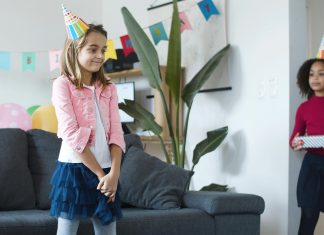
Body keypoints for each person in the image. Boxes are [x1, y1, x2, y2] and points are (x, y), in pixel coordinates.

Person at [49, 7, 125, 235]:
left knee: (107, 231)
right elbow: (71, 134)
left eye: (103, 49)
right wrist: (101, 176)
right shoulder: (62, 85)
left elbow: (117, 134)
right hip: (74, 170)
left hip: (108, 170)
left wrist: (114, 174)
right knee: (66, 232)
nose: (100, 56)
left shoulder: (109, 87)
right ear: (75, 50)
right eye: (93, 49)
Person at [290, 58, 324, 235]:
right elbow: (294, 138)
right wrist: (296, 143)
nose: (315, 78)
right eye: (311, 74)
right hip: (311, 165)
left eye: (321, 73)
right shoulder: (304, 108)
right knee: (308, 215)